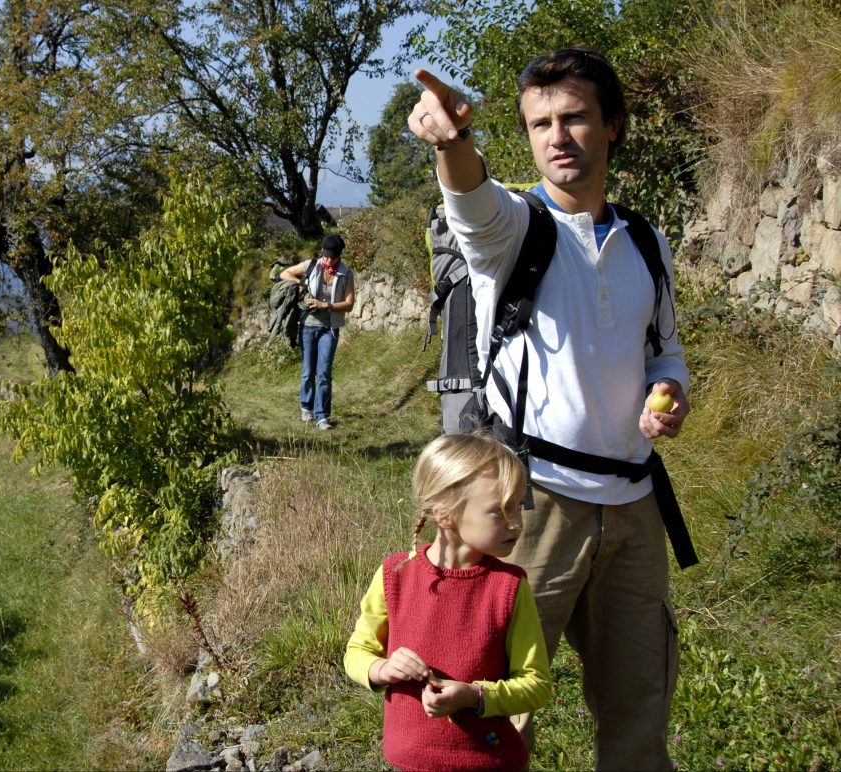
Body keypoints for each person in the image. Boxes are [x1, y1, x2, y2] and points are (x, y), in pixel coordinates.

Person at [407, 46, 692, 770]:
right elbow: (471, 201)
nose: (557, 137)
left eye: (574, 118)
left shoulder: (646, 244)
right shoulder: (514, 230)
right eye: (540, 124)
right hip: (527, 510)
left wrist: (670, 393)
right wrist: (452, 142)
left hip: (633, 511)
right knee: (492, 719)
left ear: (613, 126)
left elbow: (664, 351)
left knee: (639, 719)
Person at [344, 434, 552, 772]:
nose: (516, 522)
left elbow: (536, 684)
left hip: (490, 762)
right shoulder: (394, 575)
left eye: (517, 506)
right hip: (409, 762)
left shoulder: (510, 587)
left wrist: (475, 696)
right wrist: (382, 669)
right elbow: (357, 652)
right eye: (499, 511)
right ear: (444, 513)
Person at [278, 234, 356, 430]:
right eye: (326, 256)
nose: (328, 260)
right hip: (308, 325)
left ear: (339, 256)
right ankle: (306, 406)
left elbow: (349, 304)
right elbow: (284, 274)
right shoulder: (311, 265)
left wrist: (325, 305)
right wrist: (301, 284)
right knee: (307, 372)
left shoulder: (346, 273)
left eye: (332, 257)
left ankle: (322, 417)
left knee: (324, 374)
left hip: (329, 328)